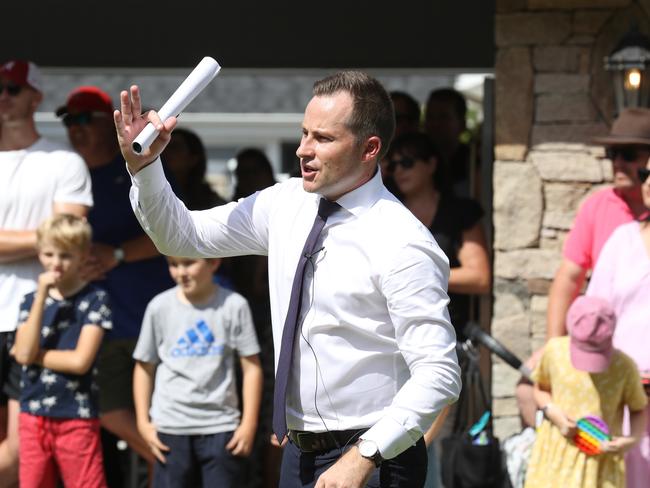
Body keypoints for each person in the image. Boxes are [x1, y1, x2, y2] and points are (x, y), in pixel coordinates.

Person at [116, 70, 461, 487]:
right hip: (298, 455)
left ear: (369, 148)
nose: (303, 150)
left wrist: (362, 457)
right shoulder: (285, 203)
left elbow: (439, 373)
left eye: (323, 138)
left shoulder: (403, 241)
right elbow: (182, 236)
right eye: (303, 133)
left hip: (375, 458)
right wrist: (146, 167)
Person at [56, 85, 174, 469]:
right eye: (70, 120)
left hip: (147, 316)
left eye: (85, 118)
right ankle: (170, 467)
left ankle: (169, 469)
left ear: (110, 125)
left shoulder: (138, 166)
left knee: (160, 418)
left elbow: (175, 233)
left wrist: (117, 253)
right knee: (106, 414)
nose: (76, 127)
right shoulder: (65, 177)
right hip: (93, 325)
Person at [516, 108, 650, 429]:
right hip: (604, 347)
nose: (617, 162)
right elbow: (569, 277)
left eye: (628, 154)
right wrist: (553, 346)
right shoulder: (599, 206)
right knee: (528, 389)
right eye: (611, 153)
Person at [0, 60, 93, 487]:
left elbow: (71, 240)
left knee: (24, 451)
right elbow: (57, 238)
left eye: (12, 88)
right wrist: (44, 237)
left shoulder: (62, 161)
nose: (3, 95)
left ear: (36, 96)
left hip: (38, 318)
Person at [387, 131, 490, 488]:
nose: (398, 169)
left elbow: (479, 275)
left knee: (434, 447)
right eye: (393, 162)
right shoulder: (383, 210)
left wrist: (420, 275)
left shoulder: (458, 210)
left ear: (432, 164)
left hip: (446, 344)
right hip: (387, 347)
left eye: (408, 161)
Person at [133, 255, 263, 487]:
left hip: (221, 427)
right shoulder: (159, 307)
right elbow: (144, 367)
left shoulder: (234, 305)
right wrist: (143, 423)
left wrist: (248, 424)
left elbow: (251, 367)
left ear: (214, 262)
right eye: (173, 264)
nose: (181, 272)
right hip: (170, 427)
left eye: (189, 263)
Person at [12, 214, 111, 488]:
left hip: (76, 416)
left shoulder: (95, 300)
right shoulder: (30, 301)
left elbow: (80, 362)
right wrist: (42, 296)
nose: (56, 263)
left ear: (83, 256)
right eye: (49, 254)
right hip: (33, 414)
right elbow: (22, 355)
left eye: (65, 256)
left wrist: (37, 355)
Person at [524, 295, 647, 488]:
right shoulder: (555, 352)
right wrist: (552, 411)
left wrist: (630, 440)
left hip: (600, 467)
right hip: (556, 459)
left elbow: (638, 408)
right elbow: (540, 388)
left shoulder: (624, 367)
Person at [585, 163, 650, 488]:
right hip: (620, 394)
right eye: (646, 174)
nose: (649, 182)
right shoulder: (622, 241)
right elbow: (594, 315)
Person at [423, 88, 478, 198]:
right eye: (430, 117)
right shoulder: (417, 158)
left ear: (462, 124)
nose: (435, 124)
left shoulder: (473, 159)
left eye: (443, 117)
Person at [161, 127, 226, 210]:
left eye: (175, 147)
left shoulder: (214, 205)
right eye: (165, 145)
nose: (166, 151)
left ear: (193, 159)